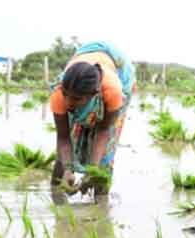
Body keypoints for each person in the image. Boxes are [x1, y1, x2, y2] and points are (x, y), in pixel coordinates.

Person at [48, 41, 135, 194]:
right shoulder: (59, 93)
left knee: (105, 157)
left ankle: (100, 204)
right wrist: (68, 169)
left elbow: (103, 131)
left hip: (118, 70)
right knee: (62, 156)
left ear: (94, 95)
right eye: (66, 95)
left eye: (75, 99)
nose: (68, 102)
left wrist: (92, 170)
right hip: (82, 63)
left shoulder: (113, 92)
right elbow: (63, 137)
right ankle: (56, 194)